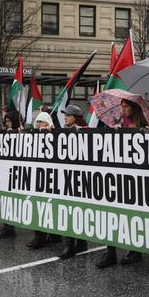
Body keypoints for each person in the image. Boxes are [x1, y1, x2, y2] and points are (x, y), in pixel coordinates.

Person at [96, 99, 148, 268]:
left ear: (134, 108)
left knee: (134, 215)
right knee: (112, 213)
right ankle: (110, 252)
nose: (122, 109)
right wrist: (115, 132)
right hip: (118, 175)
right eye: (121, 106)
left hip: (137, 177)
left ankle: (135, 250)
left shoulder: (147, 125)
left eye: (125, 107)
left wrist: (146, 133)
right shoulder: (118, 123)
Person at [58, 105, 89, 259]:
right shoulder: (62, 130)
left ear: (76, 117)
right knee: (69, 209)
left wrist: (80, 132)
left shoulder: (84, 130)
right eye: (65, 115)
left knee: (78, 210)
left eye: (68, 115)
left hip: (80, 177)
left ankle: (77, 243)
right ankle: (70, 244)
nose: (65, 117)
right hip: (67, 176)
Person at [27, 111, 62, 249]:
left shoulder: (56, 134)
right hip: (40, 177)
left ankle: (55, 234)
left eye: (41, 122)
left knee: (52, 207)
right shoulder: (35, 135)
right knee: (39, 206)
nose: (39, 124)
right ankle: (39, 236)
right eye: (38, 122)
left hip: (53, 177)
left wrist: (51, 132)